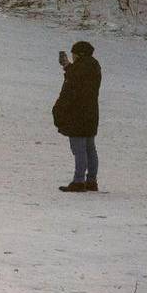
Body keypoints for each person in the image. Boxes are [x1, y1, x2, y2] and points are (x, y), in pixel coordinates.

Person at [53, 41, 102, 192]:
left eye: (74, 54)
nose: (72, 56)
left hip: (77, 114)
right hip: (91, 113)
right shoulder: (94, 66)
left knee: (79, 149)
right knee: (90, 148)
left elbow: (71, 89)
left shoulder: (79, 69)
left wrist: (58, 110)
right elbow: (79, 78)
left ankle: (79, 181)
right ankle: (91, 180)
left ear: (79, 54)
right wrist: (67, 66)